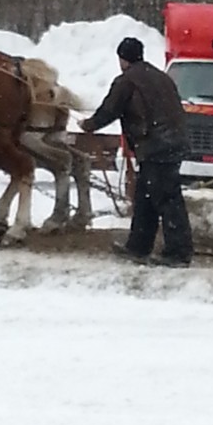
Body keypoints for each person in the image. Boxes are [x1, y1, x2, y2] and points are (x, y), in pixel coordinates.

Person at [79, 37, 193, 267]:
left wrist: (88, 125)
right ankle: (138, 246)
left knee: (167, 199)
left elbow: (109, 110)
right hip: (172, 141)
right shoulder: (161, 77)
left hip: (156, 145)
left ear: (122, 58)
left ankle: (178, 252)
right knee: (145, 196)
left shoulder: (127, 81)